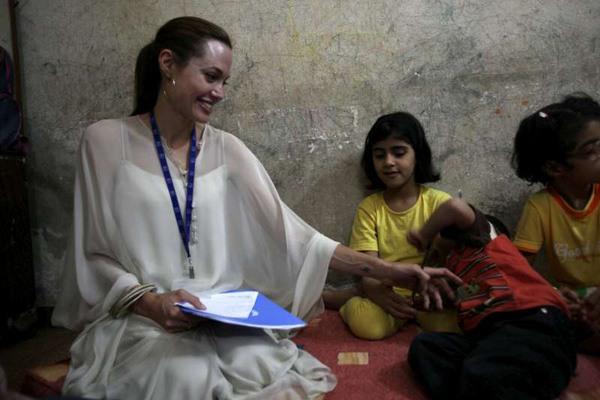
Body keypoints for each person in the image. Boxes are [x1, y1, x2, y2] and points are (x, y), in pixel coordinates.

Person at [51, 17, 460, 400]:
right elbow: (94, 254)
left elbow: (299, 238)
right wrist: (150, 303)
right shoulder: (104, 142)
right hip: (144, 317)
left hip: (217, 314)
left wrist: (394, 270)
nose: (220, 93)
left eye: (225, 81)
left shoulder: (228, 148)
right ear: (168, 64)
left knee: (260, 366)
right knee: (185, 378)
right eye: (211, 76)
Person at [407, 198, 577, 400]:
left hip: (527, 321)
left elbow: (454, 208)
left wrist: (424, 234)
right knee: (426, 347)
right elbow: (440, 301)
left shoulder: (483, 241)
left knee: (482, 372)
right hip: (489, 339)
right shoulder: (461, 279)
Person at [323, 112, 452, 340]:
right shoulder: (370, 208)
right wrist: (375, 292)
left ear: (417, 155)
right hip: (385, 293)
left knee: (450, 327)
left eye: (399, 152)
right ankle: (348, 300)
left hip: (428, 294)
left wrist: (435, 289)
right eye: (380, 155)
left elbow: (447, 260)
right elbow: (367, 266)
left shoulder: (439, 203)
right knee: (368, 327)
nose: (389, 162)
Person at [512, 93, 600, 352]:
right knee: (531, 322)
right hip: (575, 304)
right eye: (592, 151)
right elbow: (519, 271)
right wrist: (553, 293)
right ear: (555, 168)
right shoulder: (540, 207)